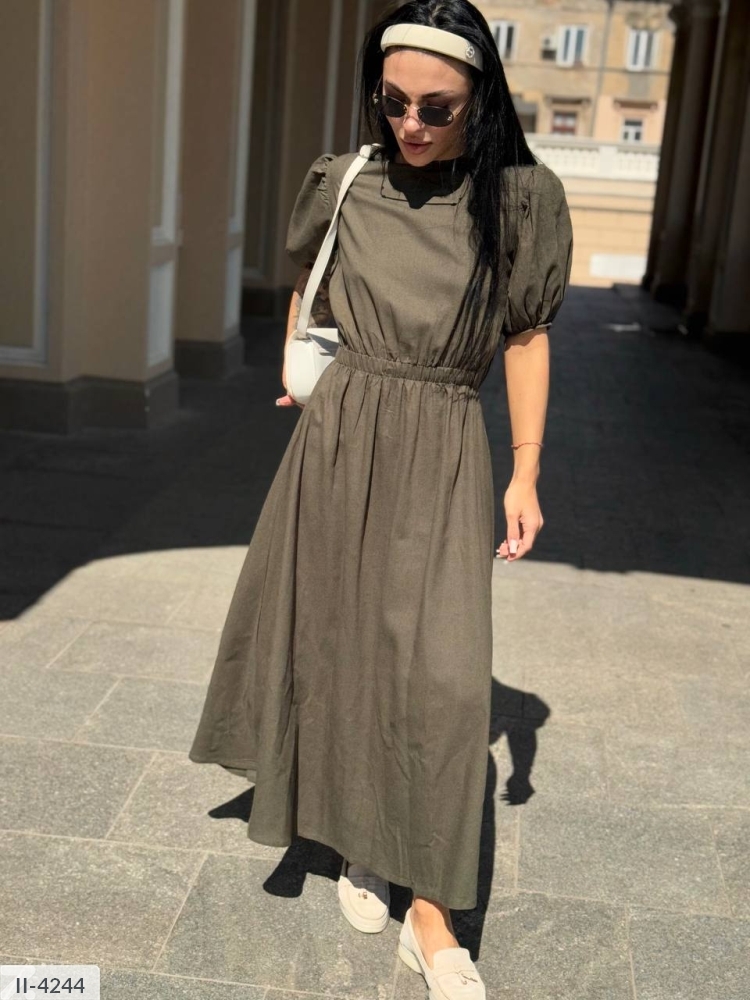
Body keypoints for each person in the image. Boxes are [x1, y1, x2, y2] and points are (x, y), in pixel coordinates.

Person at [189, 1, 573, 996]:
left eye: (436, 107)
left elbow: (527, 336)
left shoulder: (519, 201)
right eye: (393, 101)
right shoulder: (348, 181)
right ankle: (363, 843)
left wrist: (525, 470)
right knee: (345, 651)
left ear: (479, 100)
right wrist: (306, 363)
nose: (410, 123)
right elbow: (308, 282)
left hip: (443, 439)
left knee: (446, 683)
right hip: (340, 436)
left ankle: (433, 917)